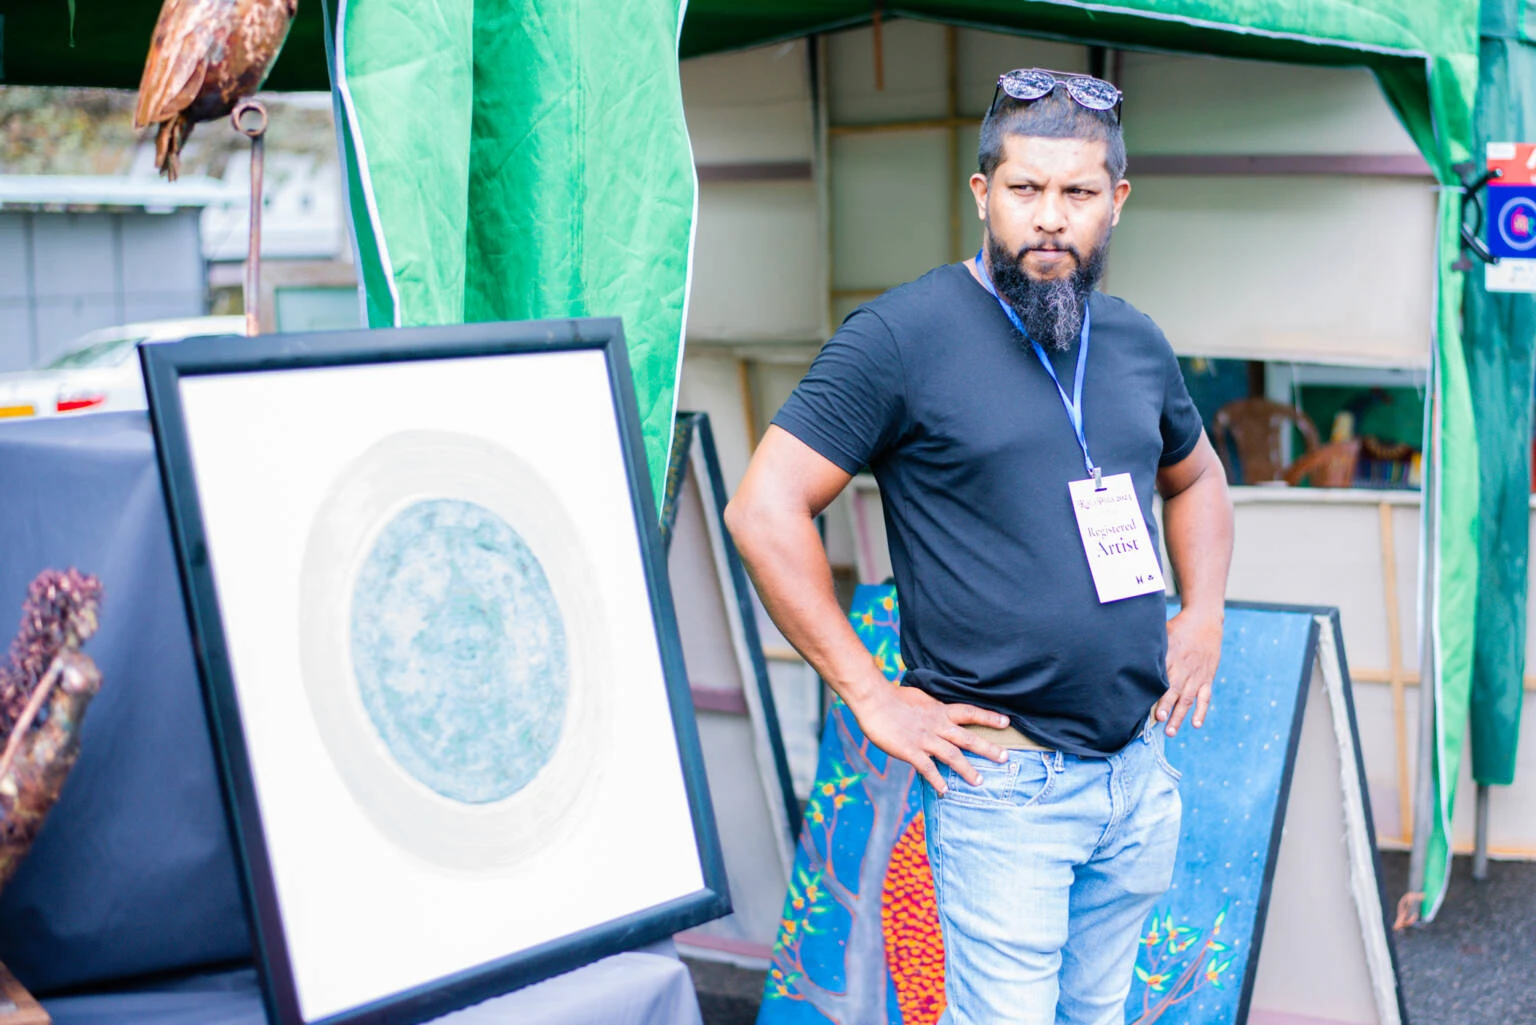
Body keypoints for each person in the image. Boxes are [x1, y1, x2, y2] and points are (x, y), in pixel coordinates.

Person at [724, 68, 1234, 1025]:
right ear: (982, 192)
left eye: (1078, 193)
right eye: (1024, 189)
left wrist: (1202, 610)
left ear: (1116, 201)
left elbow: (1197, 476)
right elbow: (764, 509)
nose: (1050, 218)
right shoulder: (901, 337)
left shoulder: (1131, 341)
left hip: (1135, 772)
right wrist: (871, 693)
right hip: (1006, 788)